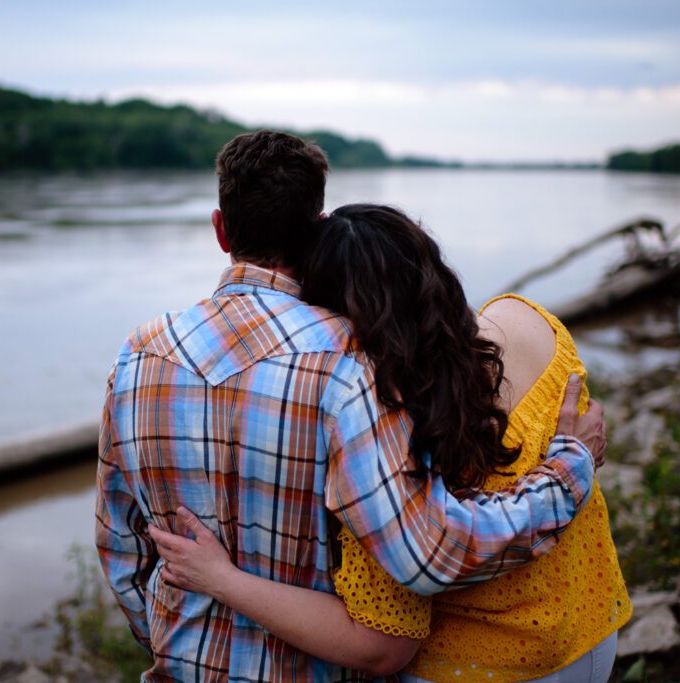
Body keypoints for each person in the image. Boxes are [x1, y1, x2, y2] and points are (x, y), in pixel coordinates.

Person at [95, 131, 607, 681]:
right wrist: (568, 470)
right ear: (318, 228)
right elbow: (428, 555)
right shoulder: (350, 362)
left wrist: (176, 643)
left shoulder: (138, 353)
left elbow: (121, 552)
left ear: (220, 229)